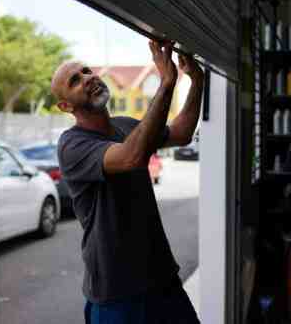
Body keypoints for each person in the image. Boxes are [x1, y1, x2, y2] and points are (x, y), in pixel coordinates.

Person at [51, 40, 204, 324]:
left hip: (163, 281)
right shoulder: (72, 144)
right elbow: (131, 156)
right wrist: (167, 83)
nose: (88, 78)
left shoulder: (126, 125)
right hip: (117, 297)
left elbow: (181, 133)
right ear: (65, 105)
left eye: (87, 71)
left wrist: (197, 80)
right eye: (75, 80)